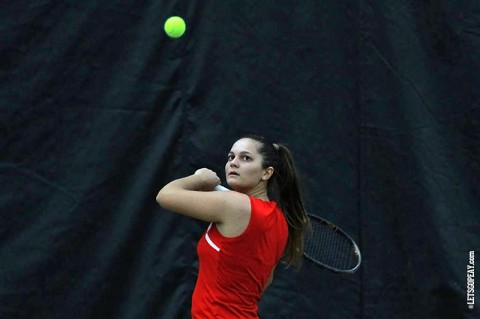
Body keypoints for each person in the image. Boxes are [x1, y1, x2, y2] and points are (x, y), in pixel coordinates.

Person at [156, 135, 310, 319]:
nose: (234, 163)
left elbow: (165, 195)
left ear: (266, 173)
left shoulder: (235, 205)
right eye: (231, 157)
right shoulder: (279, 221)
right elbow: (264, 280)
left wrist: (199, 178)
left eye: (246, 158)